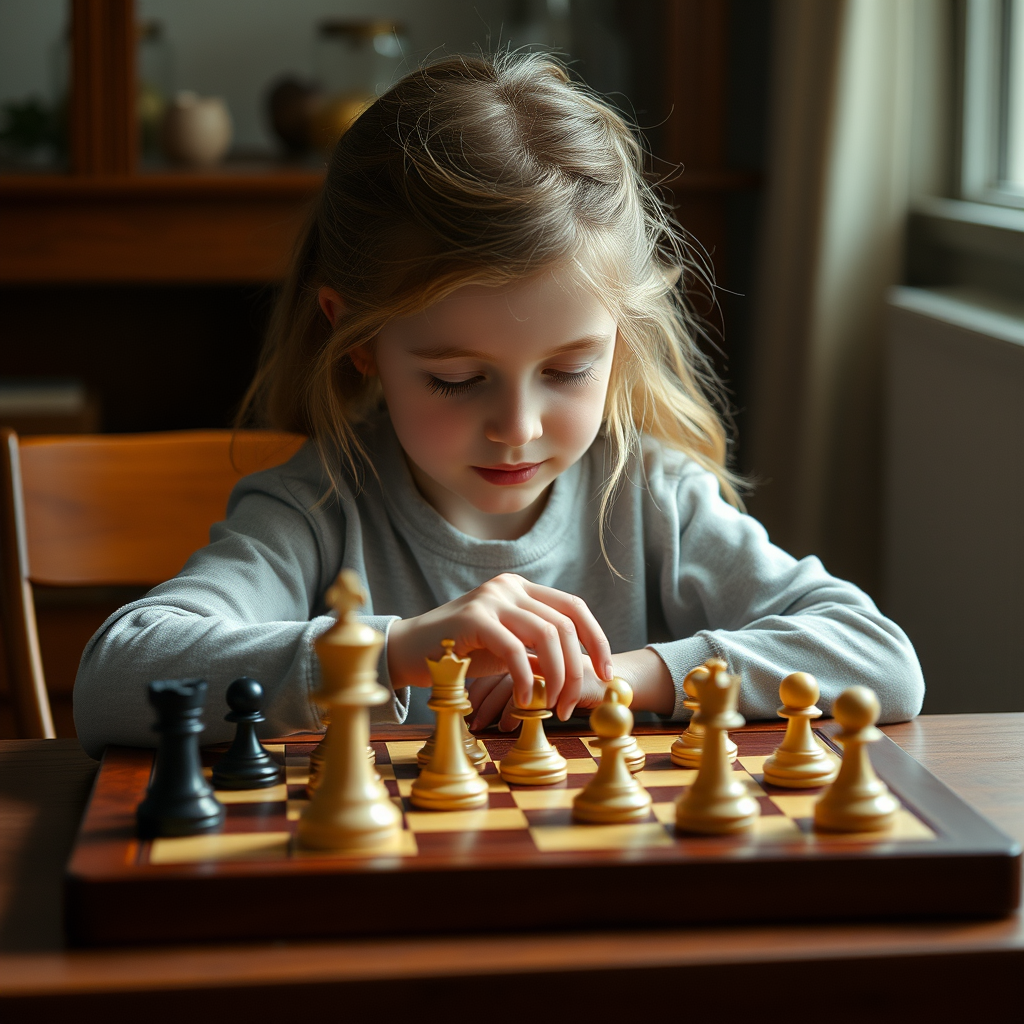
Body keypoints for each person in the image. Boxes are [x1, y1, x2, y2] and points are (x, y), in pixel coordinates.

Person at [73, 53, 923, 759]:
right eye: (455, 378)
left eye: (568, 370)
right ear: (360, 340)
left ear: (617, 342)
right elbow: (114, 676)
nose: (518, 427)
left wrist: (625, 676)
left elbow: (881, 660)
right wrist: (394, 650)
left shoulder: (650, 498)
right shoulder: (318, 508)